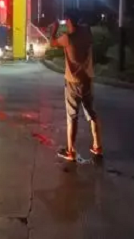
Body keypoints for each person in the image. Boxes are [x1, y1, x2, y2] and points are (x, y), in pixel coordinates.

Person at [50, 8, 103, 161]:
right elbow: (84, 29)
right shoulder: (87, 32)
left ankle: (71, 151)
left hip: (73, 82)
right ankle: (97, 146)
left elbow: (52, 43)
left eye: (65, 21)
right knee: (91, 113)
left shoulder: (67, 38)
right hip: (87, 79)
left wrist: (54, 29)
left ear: (68, 21)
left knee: (72, 116)